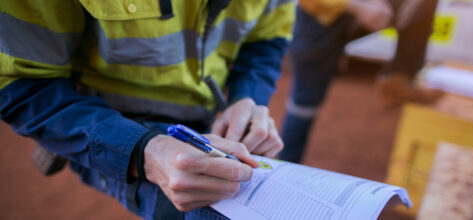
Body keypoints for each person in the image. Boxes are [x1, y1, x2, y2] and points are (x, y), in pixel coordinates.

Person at [0, 0, 294, 219]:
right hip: (109, 123)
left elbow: (267, 38)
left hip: (210, 118)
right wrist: (142, 152)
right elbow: (20, 85)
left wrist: (247, 96)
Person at [279, 0, 441, 163]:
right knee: (303, 108)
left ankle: (399, 74)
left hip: (345, 17)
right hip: (315, 26)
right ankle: (282, 169)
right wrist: (358, 6)